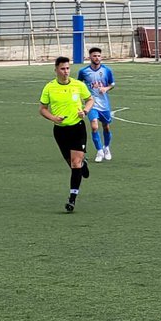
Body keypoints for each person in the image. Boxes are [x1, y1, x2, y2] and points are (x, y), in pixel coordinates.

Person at [39, 55, 94, 213]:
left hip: (77, 128)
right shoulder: (49, 87)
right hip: (60, 131)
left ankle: (72, 199)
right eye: (62, 69)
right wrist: (54, 118)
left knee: (75, 163)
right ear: (55, 70)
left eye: (68, 68)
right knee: (72, 163)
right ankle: (83, 164)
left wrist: (85, 110)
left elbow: (90, 100)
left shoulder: (78, 85)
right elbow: (42, 109)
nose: (65, 71)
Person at [77, 46, 115, 163]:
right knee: (94, 126)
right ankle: (99, 151)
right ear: (90, 57)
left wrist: (106, 88)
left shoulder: (106, 70)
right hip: (91, 103)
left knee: (106, 127)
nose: (97, 58)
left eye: (98, 56)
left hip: (104, 104)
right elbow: (78, 85)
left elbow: (112, 84)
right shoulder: (83, 72)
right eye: (94, 56)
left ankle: (106, 148)